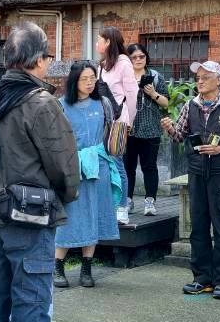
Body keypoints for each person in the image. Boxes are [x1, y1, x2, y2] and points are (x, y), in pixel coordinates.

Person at [0, 22, 80, 322]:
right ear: (37, 60)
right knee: (32, 299)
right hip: (29, 215)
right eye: (48, 57)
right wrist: (66, 195)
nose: (49, 64)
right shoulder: (40, 102)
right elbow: (63, 165)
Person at [160, 60, 220, 300]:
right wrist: (169, 128)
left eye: (205, 77)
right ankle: (202, 279)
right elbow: (180, 136)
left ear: (219, 80)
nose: (199, 82)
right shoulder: (190, 105)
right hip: (197, 172)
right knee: (198, 226)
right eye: (198, 78)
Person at [53, 62, 121, 289]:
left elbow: (110, 132)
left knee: (94, 214)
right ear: (74, 81)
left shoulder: (103, 103)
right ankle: (57, 266)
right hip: (71, 167)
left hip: (98, 166)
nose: (90, 83)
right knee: (69, 216)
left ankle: (87, 268)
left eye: (93, 78)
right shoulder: (60, 105)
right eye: (85, 79)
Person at [96, 26, 137, 224]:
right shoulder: (101, 65)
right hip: (101, 119)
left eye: (99, 40)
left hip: (119, 120)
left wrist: (130, 121)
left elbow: (132, 94)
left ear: (108, 42)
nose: (97, 43)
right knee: (103, 162)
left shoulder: (123, 63)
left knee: (117, 163)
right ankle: (108, 206)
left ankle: (122, 207)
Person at [126, 42, 169, 216]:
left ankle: (150, 201)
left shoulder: (155, 76)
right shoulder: (125, 76)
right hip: (128, 128)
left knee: (149, 167)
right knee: (127, 167)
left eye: (141, 56)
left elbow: (166, 102)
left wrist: (152, 93)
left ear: (146, 57)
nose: (138, 59)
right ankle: (127, 201)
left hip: (150, 128)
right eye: (134, 57)